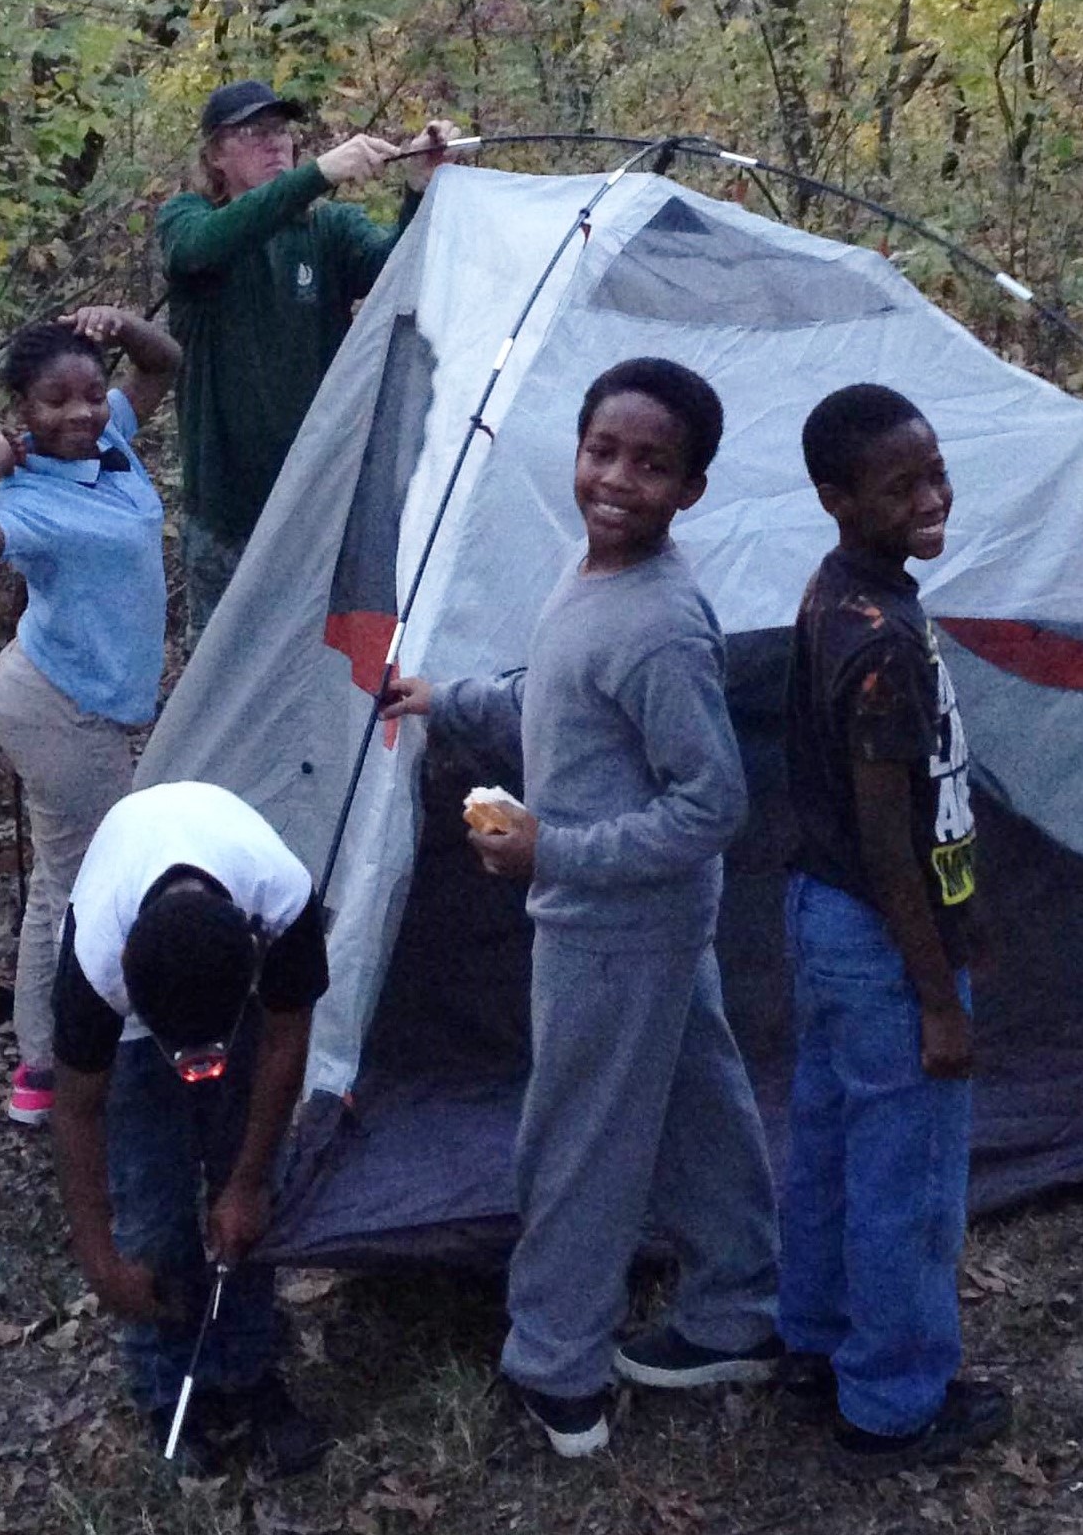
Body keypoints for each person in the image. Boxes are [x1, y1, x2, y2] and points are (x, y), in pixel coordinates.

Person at [383, 358, 781, 1460]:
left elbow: (711, 802)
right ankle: (740, 1301)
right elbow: (550, 696)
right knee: (695, 1095)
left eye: (651, 465)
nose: (616, 478)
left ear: (690, 488)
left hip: (612, 924)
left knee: (576, 1138)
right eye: (602, 450)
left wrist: (554, 847)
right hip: (643, 918)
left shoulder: (659, 624)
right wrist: (449, 695)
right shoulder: (589, 571)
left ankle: (558, 1370)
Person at [780, 385, 1011, 1474]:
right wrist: (934, 995)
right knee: (906, 1175)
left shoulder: (839, 593)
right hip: (883, 939)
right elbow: (887, 841)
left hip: (823, 919)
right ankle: (892, 1399)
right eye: (899, 485)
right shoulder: (882, 647)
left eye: (934, 471)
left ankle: (815, 1338)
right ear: (835, 499)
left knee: (830, 1139)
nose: (931, 497)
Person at [0, 310, 182, 1127]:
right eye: (53, 401)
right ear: (21, 409)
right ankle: (77, 1070)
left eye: (89, 394)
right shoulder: (29, 496)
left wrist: (128, 327)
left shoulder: (109, 445)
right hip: (56, 703)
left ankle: (51, 1059)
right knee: (90, 888)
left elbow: (164, 363)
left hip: (93, 697)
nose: (79, 413)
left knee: (66, 882)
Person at [49, 780, 333, 1477]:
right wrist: (99, 1259)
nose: (194, 1069)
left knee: (242, 1209)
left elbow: (285, 1041)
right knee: (151, 1205)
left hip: (226, 987)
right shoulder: (94, 959)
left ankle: (245, 1368)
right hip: (141, 1016)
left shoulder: (282, 900)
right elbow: (78, 1108)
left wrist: (246, 1182)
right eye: (186, 1053)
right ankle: (165, 1384)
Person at [157, 80, 460, 638]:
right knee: (222, 672)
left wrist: (418, 188)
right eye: (254, 133)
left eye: (282, 132)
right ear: (216, 154)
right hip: (228, 512)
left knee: (310, 664)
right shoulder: (187, 218)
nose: (275, 145)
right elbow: (200, 250)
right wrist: (317, 175)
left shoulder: (326, 230)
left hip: (317, 502)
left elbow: (395, 270)